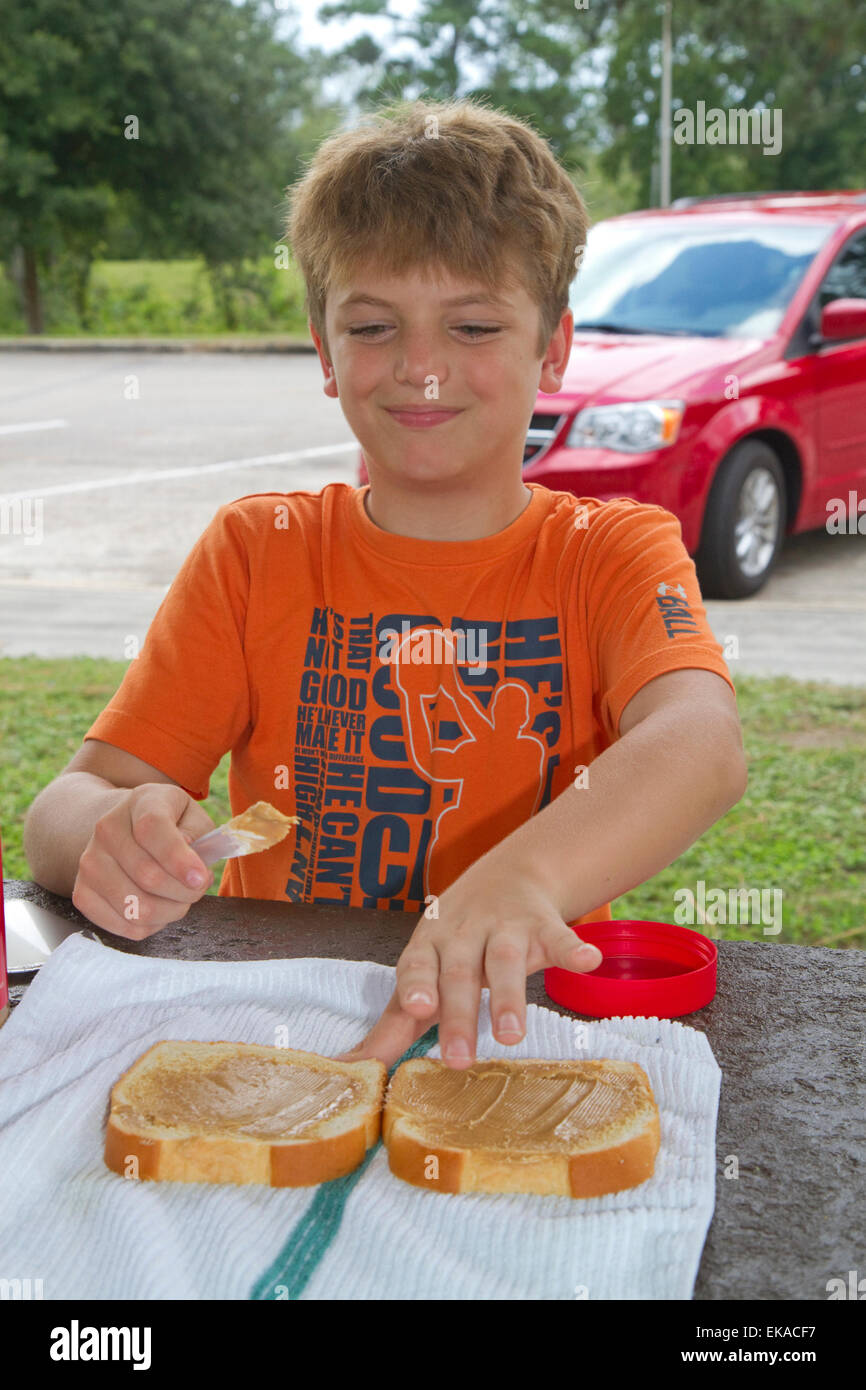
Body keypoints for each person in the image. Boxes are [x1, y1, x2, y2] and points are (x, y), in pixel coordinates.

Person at [23, 97, 747, 1071]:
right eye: (372, 326)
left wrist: (519, 880)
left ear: (554, 347)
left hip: (507, 1037)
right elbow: (68, 805)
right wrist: (111, 836)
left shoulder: (611, 552)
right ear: (324, 353)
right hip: (276, 1041)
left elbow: (699, 741)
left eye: (473, 324)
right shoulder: (257, 550)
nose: (420, 367)